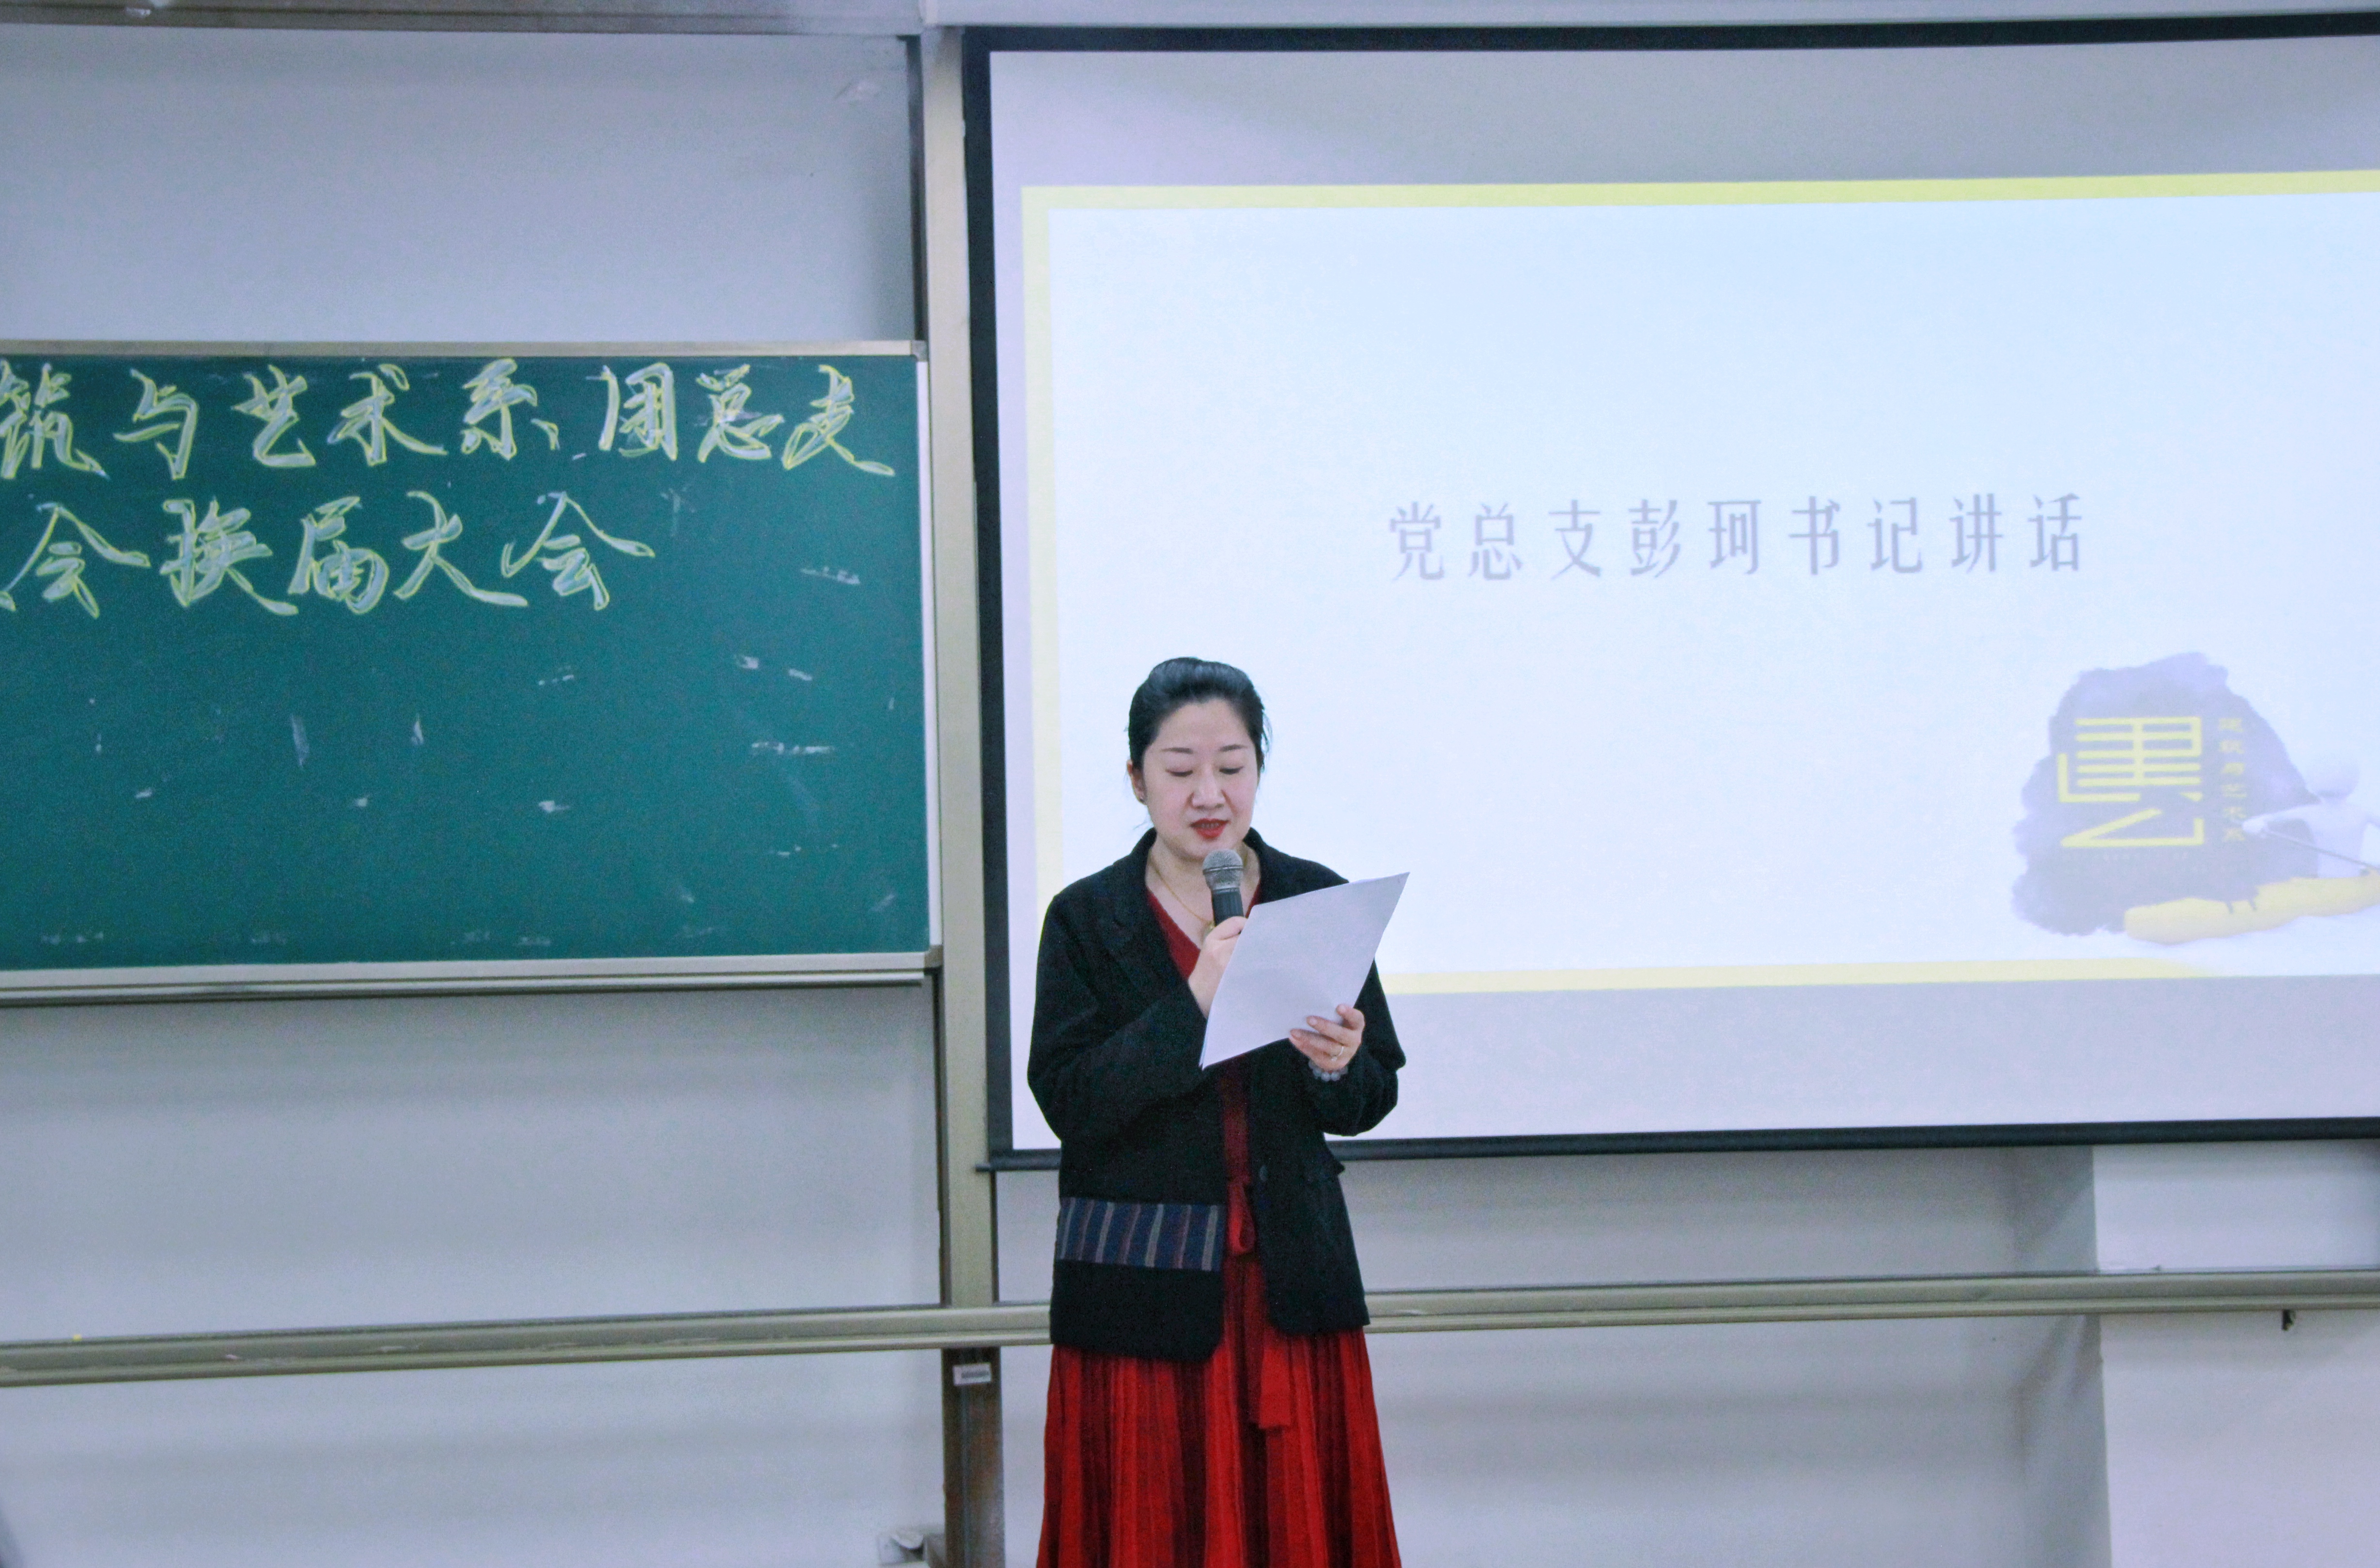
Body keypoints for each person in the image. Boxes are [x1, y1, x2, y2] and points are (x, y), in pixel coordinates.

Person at [1029, 657, 1404, 1568]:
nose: (1209, 793)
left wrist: (1337, 1064)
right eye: (1180, 768)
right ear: (1137, 779)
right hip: (1141, 1284)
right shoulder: (1086, 917)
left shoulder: (1314, 897)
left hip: (1288, 1279)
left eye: (1232, 767)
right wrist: (1195, 1000)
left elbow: (1372, 1092)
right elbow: (1070, 1100)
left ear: (1258, 768)